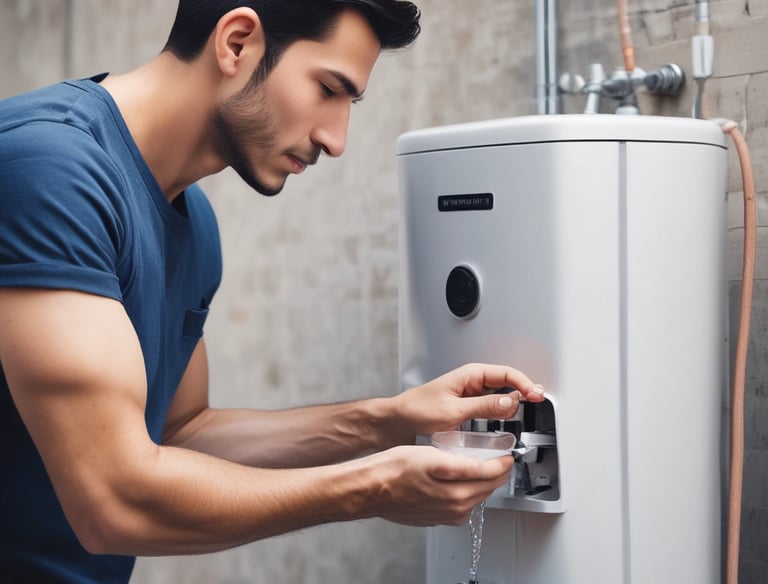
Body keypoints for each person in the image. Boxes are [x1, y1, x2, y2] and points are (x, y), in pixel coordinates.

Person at [0, 1, 545, 582]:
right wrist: (373, 487)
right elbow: (114, 501)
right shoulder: (49, 169)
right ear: (236, 43)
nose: (335, 139)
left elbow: (183, 434)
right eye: (328, 89)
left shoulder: (193, 223)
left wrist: (387, 419)